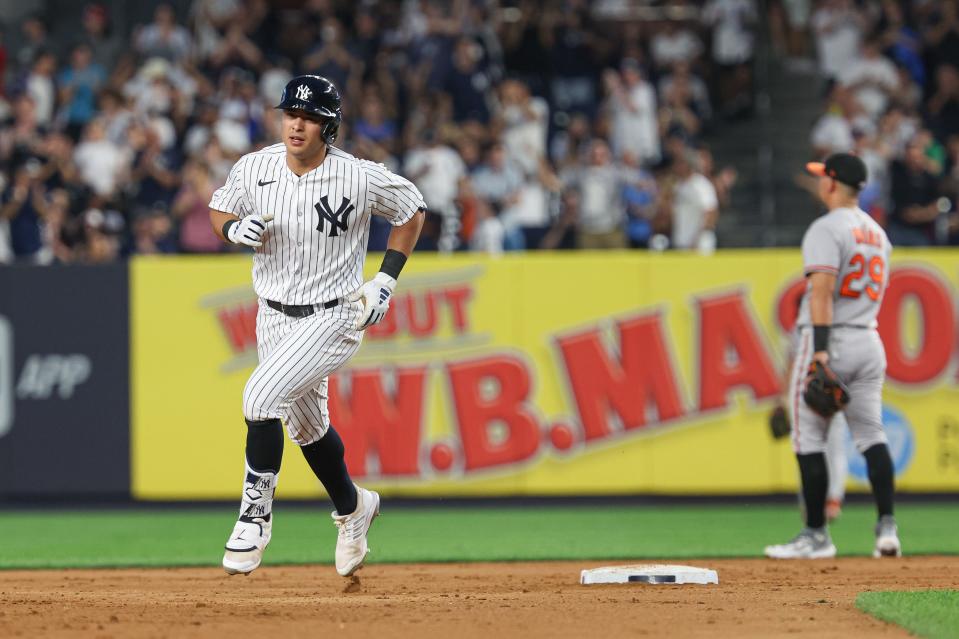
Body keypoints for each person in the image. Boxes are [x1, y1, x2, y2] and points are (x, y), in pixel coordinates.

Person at [208, 75, 426, 577]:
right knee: (308, 428)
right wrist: (232, 229)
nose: (296, 124)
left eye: (308, 117)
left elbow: (412, 210)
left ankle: (254, 516)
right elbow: (221, 206)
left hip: (335, 313)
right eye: (290, 114)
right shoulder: (256, 166)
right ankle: (354, 509)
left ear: (328, 126)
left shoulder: (358, 176)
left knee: (260, 398)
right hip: (273, 316)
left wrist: (385, 281)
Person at [765, 153, 900, 560]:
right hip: (869, 340)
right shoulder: (879, 235)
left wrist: (820, 350)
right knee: (871, 435)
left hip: (830, 339)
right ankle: (887, 529)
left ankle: (816, 535)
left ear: (831, 184)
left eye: (824, 177)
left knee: (808, 437)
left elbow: (821, 292)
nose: (820, 183)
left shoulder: (826, 228)